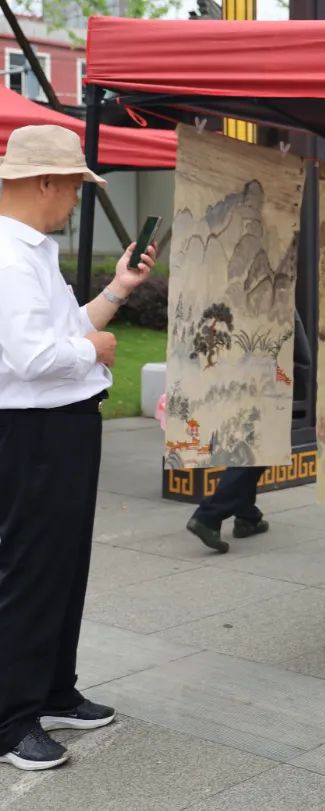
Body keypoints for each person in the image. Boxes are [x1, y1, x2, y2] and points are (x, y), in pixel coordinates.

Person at [0, 124, 156, 771]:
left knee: (62, 564)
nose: (74, 199)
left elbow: (71, 325)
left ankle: (52, 690)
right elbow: (33, 356)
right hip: (32, 430)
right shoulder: (9, 256)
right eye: (72, 186)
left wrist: (119, 288)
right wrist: (93, 350)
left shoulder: (32, 251)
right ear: (45, 183)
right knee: (30, 569)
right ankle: (11, 718)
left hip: (60, 426)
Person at [184, 311, 312, 553]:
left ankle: (247, 516)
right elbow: (299, 358)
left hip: (234, 366)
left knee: (250, 443)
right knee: (260, 448)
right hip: (266, 373)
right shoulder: (277, 301)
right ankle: (209, 516)